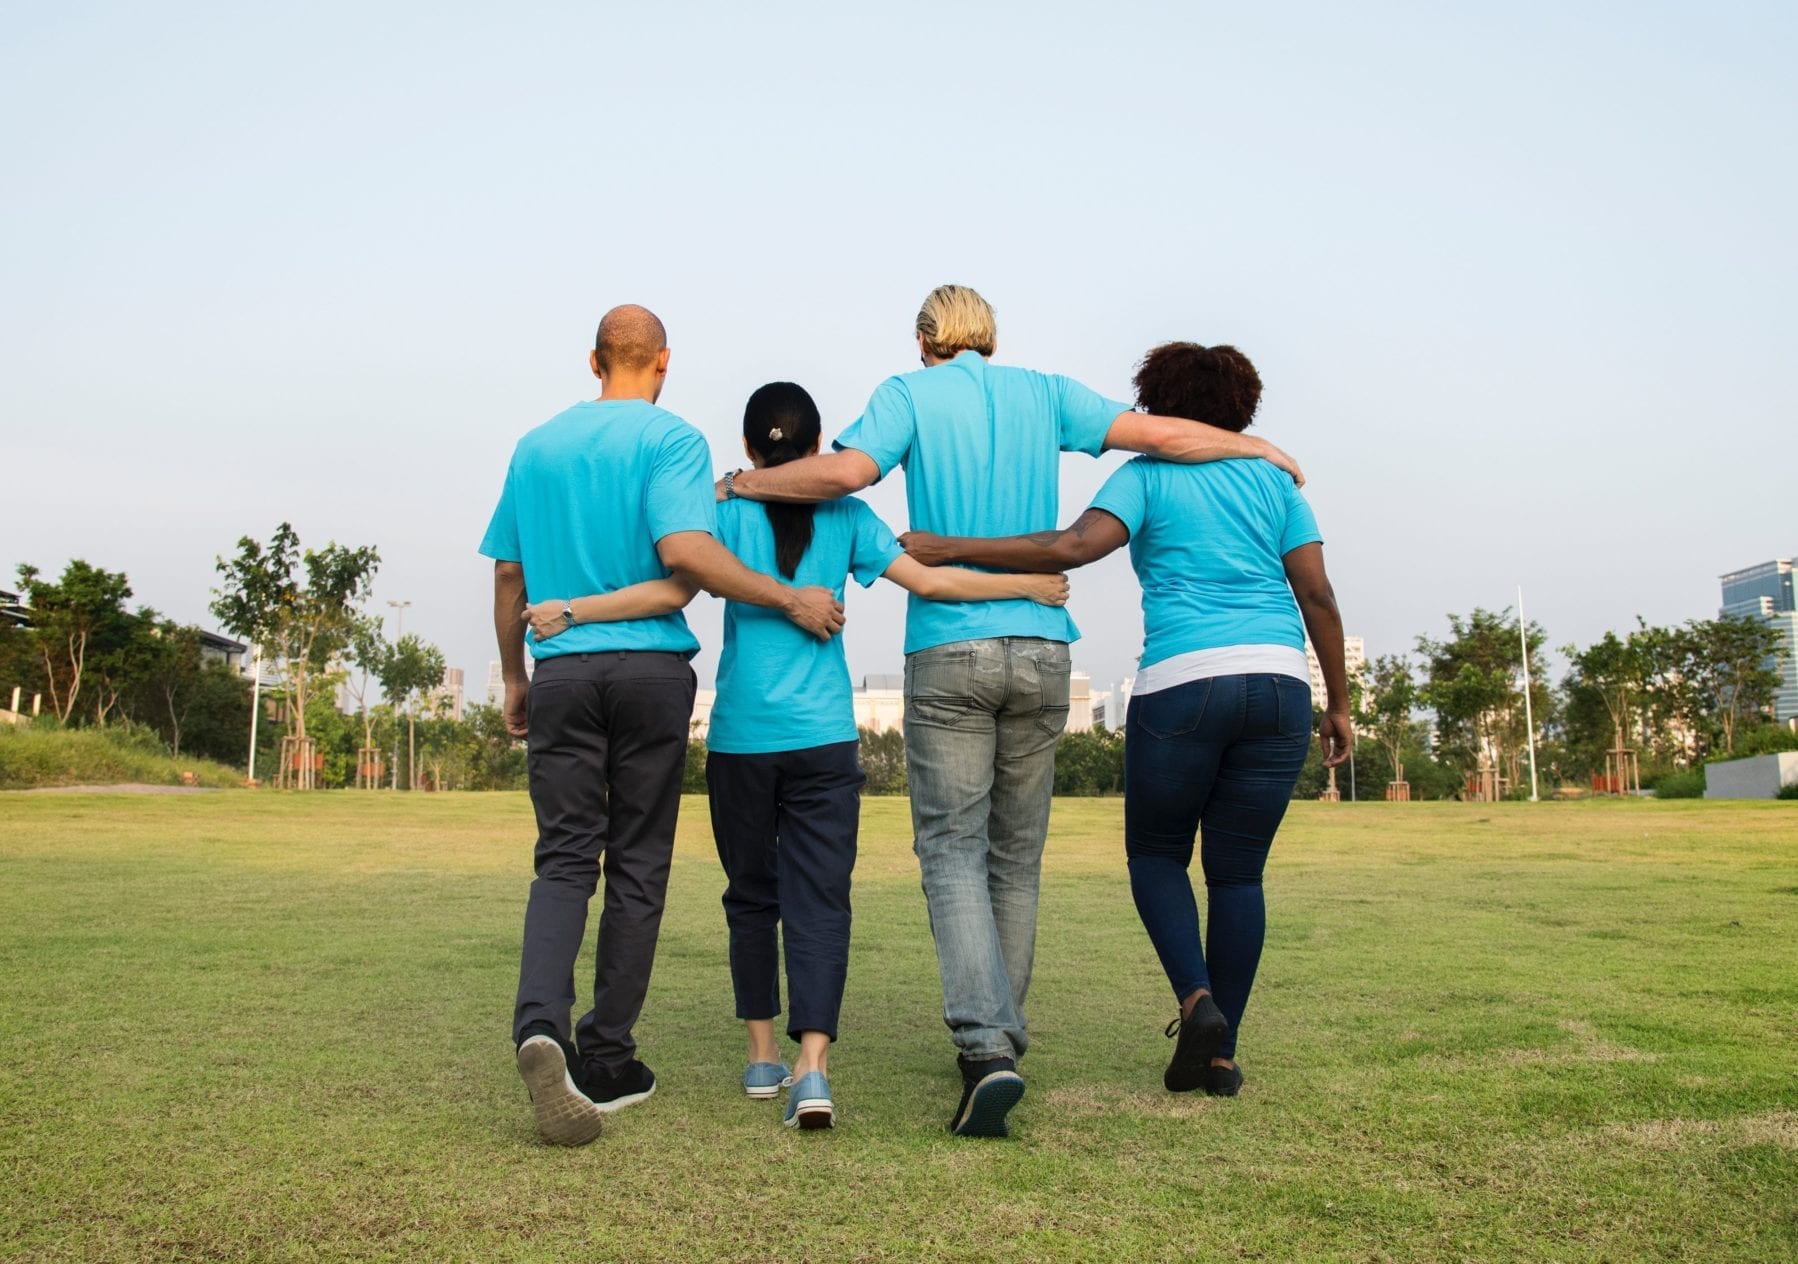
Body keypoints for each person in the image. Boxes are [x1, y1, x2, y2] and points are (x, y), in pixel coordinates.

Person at [720, 286, 1304, 1136]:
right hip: (1042, 648)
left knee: (952, 850)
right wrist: (1258, 447)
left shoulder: (908, 395)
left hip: (951, 648)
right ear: (989, 335)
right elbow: (1161, 433)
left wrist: (743, 480)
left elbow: (846, 474)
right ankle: (1001, 1039)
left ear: (926, 336)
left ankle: (986, 1048)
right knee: (1016, 856)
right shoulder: (1049, 392)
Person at [525, 381, 1069, 1131]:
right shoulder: (848, 514)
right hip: (822, 740)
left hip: (741, 739)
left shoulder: (717, 512)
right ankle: (812, 1070)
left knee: (751, 898)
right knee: (821, 900)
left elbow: (666, 583)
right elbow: (934, 582)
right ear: (817, 451)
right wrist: (1030, 587)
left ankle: (760, 1057)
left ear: (750, 449)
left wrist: (575, 607)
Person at [900, 341, 1351, 1098]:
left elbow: (1071, 547)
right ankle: (1219, 1054)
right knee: (1238, 875)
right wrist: (1337, 701)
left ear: (1159, 403)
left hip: (1184, 682)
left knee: (1157, 857)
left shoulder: (1147, 476)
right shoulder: (1276, 482)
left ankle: (1197, 1002)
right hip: (1279, 685)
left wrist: (953, 547)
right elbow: (1319, 596)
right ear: (1244, 407)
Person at [480, 306, 844, 1147]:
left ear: (593, 360)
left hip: (563, 669)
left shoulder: (534, 447)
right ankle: (607, 1058)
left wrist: (512, 672)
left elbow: (508, 575)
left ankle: (542, 1026)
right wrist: (789, 596)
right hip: (650, 673)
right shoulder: (673, 442)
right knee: (638, 863)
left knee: (564, 858)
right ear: (664, 363)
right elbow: (685, 556)